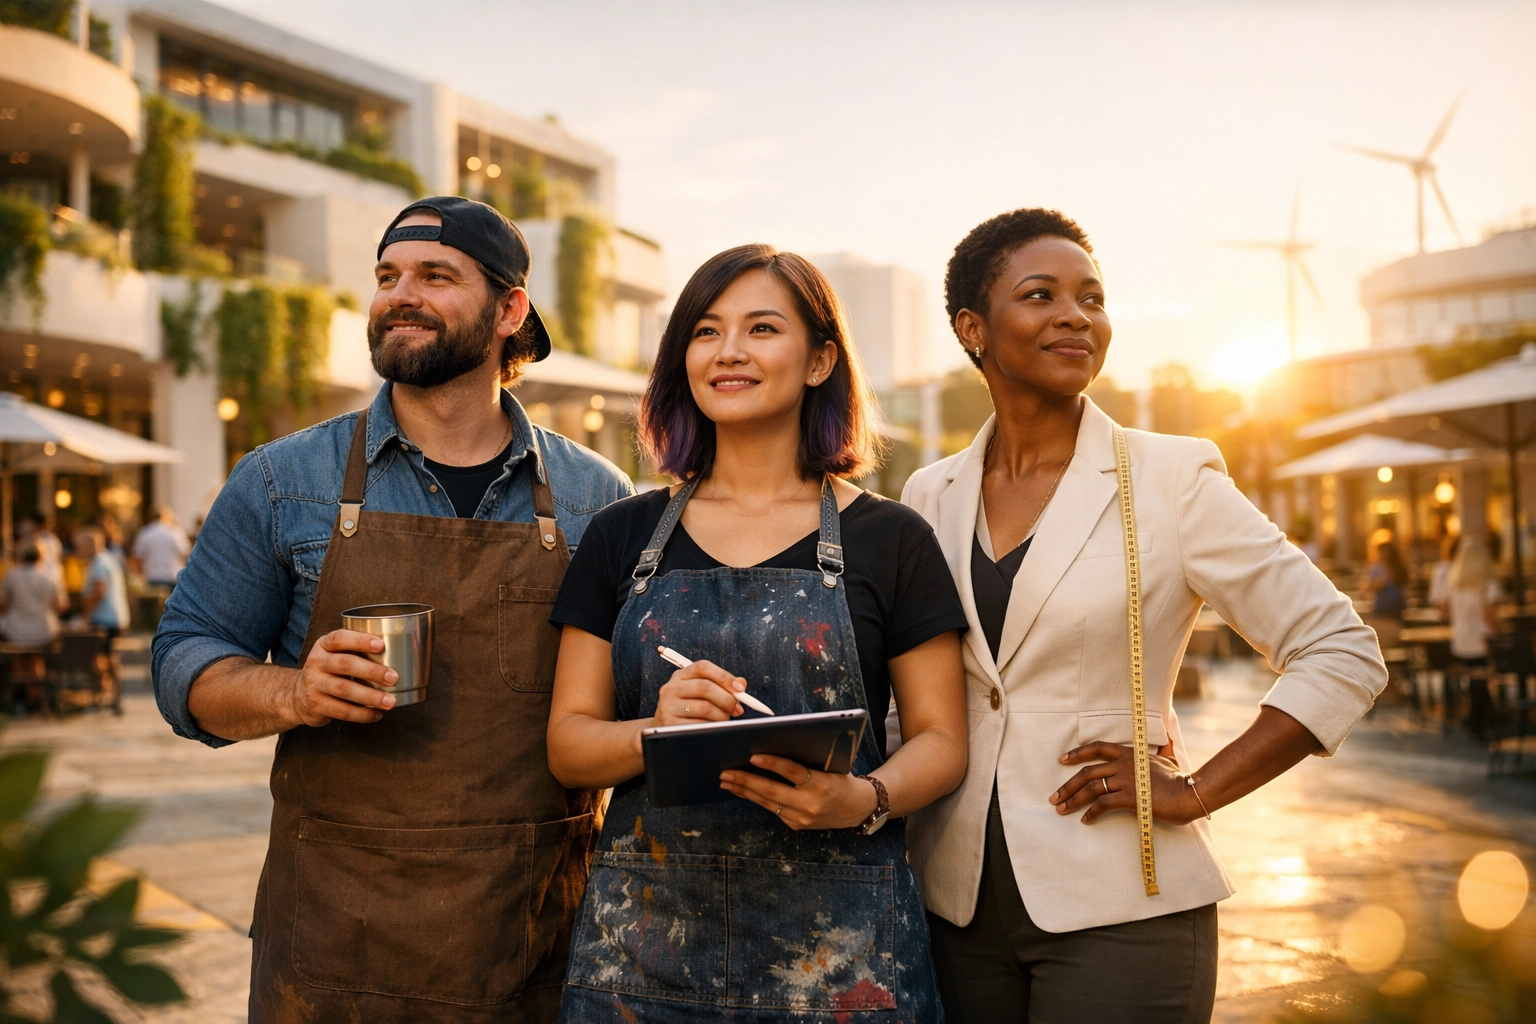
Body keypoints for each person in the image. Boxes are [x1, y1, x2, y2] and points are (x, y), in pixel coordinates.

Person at [151, 196, 634, 1022]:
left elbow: (631, 707)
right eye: (386, 276)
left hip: (531, 943)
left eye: (434, 276)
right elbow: (182, 663)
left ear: (510, 310)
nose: (398, 295)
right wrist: (293, 692)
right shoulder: (280, 482)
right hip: (333, 946)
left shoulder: (598, 500)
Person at [900, 208, 1388, 1024]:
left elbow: (1341, 649)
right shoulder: (929, 494)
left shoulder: (1173, 478)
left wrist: (1197, 790)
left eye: (1091, 298)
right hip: (953, 908)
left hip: (1125, 904)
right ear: (972, 328)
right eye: (1041, 295)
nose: (1075, 316)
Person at [546, 244, 969, 1022]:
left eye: (762, 328)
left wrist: (864, 798)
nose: (729, 351)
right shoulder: (621, 535)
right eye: (706, 331)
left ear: (820, 361)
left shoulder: (892, 539)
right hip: (644, 964)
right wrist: (655, 730)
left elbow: (942, 741)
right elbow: (569, 745)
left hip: (843, 965)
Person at [1439, 538, 1502, 738]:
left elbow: (1444, 609)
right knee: (1482, 678)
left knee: (1475, 679)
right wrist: (1502, 632)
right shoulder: (1487, 584)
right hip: (1482, 640)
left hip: (1461, 640)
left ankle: (1479, 717)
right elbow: (1489, 616)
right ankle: (1481, 720)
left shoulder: (1453, 583)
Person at [0, 542, 66, 645]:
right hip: (45, 630)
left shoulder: (11, 576)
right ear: (41, 556)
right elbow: (61, 605)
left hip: (15, 629)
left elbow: (3, 603)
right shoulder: (50, 576)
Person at [78, 527, 130, 637]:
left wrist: (86, 613)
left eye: (80, 547)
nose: (78, 551)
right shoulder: (107, 558)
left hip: (105, 618)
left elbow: (99, 591)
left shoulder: (99, 563)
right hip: (114, 616)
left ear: (89, 546)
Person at [131, 505, 192, 587]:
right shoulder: (176, 532)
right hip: (173, 576)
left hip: (152, 577)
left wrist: (142, 573)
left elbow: (137, 557)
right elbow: (185, 554)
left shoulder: (145, 533)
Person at [1363, 531, 1408, 617]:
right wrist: (1376, 585)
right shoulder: (1376, 568)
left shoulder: (1398, 567)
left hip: (1396, 606)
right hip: (1381, 607)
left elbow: (1404, 581)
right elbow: (1367, 587)